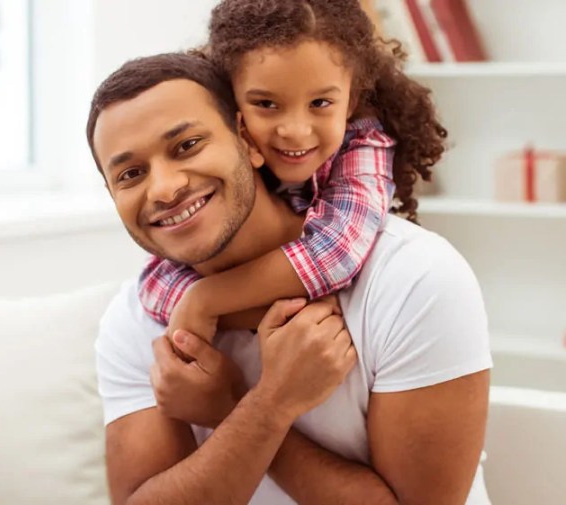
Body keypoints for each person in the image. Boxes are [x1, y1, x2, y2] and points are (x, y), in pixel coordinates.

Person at [87, 52, 492, 504]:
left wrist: (235, 406)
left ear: (247, 140)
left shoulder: (413, 278)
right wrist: (266, 406)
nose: (163, 188)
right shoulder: (136, 319)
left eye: (187, 146)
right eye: (130, 174)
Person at [137, 0, 447, 346]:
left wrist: (206, 300)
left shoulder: (363, 141)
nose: (296, 131)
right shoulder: (218, 165)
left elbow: (336, 252)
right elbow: (155, 283)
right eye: (266, 104)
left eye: (320, 104)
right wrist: (248, 312)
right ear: (229, 102)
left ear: (352, 99)